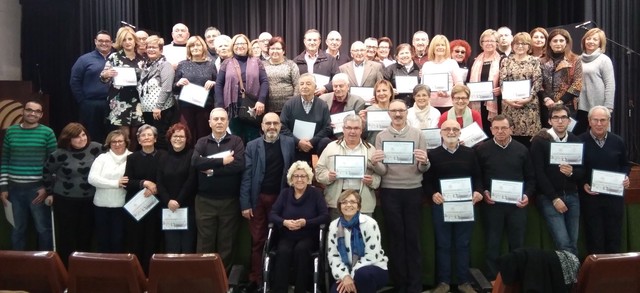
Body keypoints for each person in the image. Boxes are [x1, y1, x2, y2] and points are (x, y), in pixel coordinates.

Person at [374, 99, 430, 293]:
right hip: (390, 192)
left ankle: (415, 287)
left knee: (413, 239)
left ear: (407, 112)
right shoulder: (381, 136)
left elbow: (423, 168)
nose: (397, 114)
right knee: (395, 239)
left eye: (401, 110)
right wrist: (375, 163)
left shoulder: (418, 134)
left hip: (413, 190)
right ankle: (400, 285)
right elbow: (381, 171)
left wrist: (424, 162)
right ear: (388, 113)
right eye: (394, 111)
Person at [425, 119, 483, 293]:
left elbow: (478, 177)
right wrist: (432, 193)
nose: (451, 132)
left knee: (463, 244)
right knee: (443, 244)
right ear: (440, 133)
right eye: (447, 129)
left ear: (460, 132)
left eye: (455, 129)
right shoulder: (433, 154)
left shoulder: (470, 153)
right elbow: (427, 181)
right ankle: (443, 282)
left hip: (465, 205)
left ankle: (464, 282)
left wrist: (478, 191)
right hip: (441, 206)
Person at [240, 112, 296, 292]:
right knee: (258, 241)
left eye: (275, 123)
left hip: (280, 200)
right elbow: (246, 175)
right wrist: (245, 203)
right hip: (257, 199)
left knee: (280, 241)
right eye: (268, 123)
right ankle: (256, 278)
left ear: (280, 125)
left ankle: (276, 279)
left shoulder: (289, 143)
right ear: (262, 126)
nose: (272, 127)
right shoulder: (252, 146)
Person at [475, 115, 536, 281]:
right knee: (492, 244)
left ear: (511, 129)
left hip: (517, 205)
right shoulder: (482, 150)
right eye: (496, 128)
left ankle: (517, 278)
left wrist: (527, 195)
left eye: (504, 128)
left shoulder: (522, 150)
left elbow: (531, 178)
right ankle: (493, 279)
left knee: (517, 244)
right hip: (492, 204)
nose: (500, 131)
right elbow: (477, 177)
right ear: (491, 129)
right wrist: (484, 191)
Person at [192, 108, 245, 271]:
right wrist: (222, 161)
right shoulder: (202, 142)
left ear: (227, 122)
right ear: (210, 123)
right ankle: (203, 280)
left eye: (223, 119)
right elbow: (195, 162)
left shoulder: (236, 141)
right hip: (204, 202)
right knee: (204, 242)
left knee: (226, 243)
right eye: (216, 119)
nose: (219, 122)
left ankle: (223, 281)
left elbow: (238, 165)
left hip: (229, 201)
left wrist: (212, 169)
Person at [43, 123, 102, 266]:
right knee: (67, 235)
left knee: (86, 234)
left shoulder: (97, 148)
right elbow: (47, 172)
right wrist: (49, 192)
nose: (82, 139)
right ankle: (66, 267)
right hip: (65, 200)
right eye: (76, 137)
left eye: (83, 135)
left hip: (89, 199)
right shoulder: (59, 154)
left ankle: (83, 266)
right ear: (68, 139)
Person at [0, 100, 57, 251]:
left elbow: (54, 165)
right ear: (23, 111)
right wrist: (3, 187)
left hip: (38, 190)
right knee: (17, 229)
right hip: (14, 190)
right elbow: (4, 160)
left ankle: (45, 266)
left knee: (43, 229)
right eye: (29, 110)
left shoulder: (47, 133)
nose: (32, 113)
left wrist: (47, 188)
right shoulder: (11, 131)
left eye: (37, 111)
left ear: (41, 115)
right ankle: (18, 267)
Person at [530, 105, 585, 255]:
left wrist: (572, 172)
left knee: (573, 242)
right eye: (556, 118)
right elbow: (538, 173)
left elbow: (582, 172)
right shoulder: (539, 141)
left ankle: (574, 276)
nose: (560, 121)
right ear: (549, 121)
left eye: (563, 118)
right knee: (563, 243)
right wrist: (554, 198)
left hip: (573, 196)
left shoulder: (575, 140)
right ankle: (567, 278)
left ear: (569, 121)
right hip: (550, 198)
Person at [268, 161, 329, 293]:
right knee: (283, 251)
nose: (300, 179)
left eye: (303, 176)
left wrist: (305, 222)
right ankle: (280, 290)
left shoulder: (316, 194)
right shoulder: (285, 194)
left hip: (308, 235)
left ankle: (301, 289)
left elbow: (325, 216)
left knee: (301, 250)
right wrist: (284, 222)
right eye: (296, 176)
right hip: (287, 235)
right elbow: (272, 214)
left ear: (308, 178)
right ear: (291, 178)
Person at [579, 106, 630, 254]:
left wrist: (625, 177)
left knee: (614, 239)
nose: (599, 124)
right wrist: (583, 184)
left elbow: (625, 165)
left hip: (614, 199)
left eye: (603, 120)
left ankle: (612, 274)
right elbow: (576, 169)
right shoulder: (580, 141)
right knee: (595, 240)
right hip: (591, 200)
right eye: (595, 120)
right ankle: (597, 275)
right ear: (589, 121)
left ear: (609, 121)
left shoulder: (618, 141)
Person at [315, 114, 383, 220]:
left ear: (361, 130)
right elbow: (319, 171)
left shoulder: (371, 149)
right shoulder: (331, 147)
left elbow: (379, 175)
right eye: (349, 128)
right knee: (338, 235)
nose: (352, 131)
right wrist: (328, 176)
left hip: (363, 202)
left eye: (356, 128)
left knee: (363, 235)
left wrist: (372, 181)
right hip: (337, 201)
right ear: (343, 129)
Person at [327, 190, 389, 293]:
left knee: (362, 275)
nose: (348, 205)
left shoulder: (369, 223)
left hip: (373, 269)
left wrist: (351, 277)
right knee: (335, 291)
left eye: (352, 202)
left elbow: (372, 255)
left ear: (359, 206)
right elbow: (333, 256)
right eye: (344, 202)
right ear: (339, 206)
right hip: (346, 272)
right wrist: (345, 276)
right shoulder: (334, 225)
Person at [123, 124, 166, 273]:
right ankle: (136, 275)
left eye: (149, 135)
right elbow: (127, 182)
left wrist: (156, 188)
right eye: (143, 135)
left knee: (153, 241)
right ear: (139, 140)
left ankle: (151, 276)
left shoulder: (164, 156)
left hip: (156, 205)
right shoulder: (132, 158)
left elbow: (169, 179)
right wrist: (144, 183)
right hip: (137, 207)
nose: (146, 138)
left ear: (155, 139)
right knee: (135, 241)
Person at [215, 33, 269, 144]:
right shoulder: (226, 63)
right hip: (232, 108)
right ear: (233, 46)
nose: (240, 46)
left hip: (253, 106)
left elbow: (264, 81)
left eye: (243, 43)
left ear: (247, 45)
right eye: (237, 43)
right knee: (235, 140)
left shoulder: (257, 61)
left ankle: (252, 161)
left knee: (253, 139)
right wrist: (220, 106)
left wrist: (261, 100)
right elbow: (219, 84)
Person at [101, 26, 144, 151]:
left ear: (134, 40)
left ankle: (132, 160)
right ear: (120, 42)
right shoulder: (114, 57)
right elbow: (103, 77)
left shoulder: (142, 59)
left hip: (137, 101)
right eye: (124, 40)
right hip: (119, 101)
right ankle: (122, 161)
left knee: (136, 135)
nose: (127, 42)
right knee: (123, 135)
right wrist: (106, 75)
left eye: (130, 39)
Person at [88, 129, 131, 253]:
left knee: (119, 240)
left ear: (126, 142)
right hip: (101, 206)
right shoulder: (102, 158)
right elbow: (92, 179)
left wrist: (104, 181)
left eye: (120, 141)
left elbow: (130, 181)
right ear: (109, 144)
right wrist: (116, 183)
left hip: (122, 206)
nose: (117, 144)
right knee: (103, 240)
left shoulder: (132, 157)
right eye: (114, 142)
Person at [156, 123, 197, 253]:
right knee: (171, 246)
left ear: (187, 139)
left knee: (187, 246)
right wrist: (168, 201)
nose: (178, 139)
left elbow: (191, 181)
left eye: (181, 136)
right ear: (170, 138)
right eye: (175, 136)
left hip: (187, 207)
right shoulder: (162, 157)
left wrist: (178, 201)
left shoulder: (192, 155)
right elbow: (159, 182)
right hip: (168, 208)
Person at [499, 32, 543, 148]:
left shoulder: (535, 61)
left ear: (529, 46)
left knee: (530, 141)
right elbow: (502, 81)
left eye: (523, 43)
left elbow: (538, 81)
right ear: (512, 45)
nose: (520, 46)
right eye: (517, 43)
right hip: (509, 105)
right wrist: (508, 100)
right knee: (510, 138)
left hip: (529, 105)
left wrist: (528, 98)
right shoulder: (506, 61)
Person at [70, 30, 113, 143]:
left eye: (107, 41)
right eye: (101, 41)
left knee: (112, 135)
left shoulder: (118, 59)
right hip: (91, 105)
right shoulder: (84, 59)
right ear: (95, 41)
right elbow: (75, 81)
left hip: (114, 105)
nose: (104, 43)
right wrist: (82, 101)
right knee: (91, 136)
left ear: (112, 43)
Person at [279, 73, 332, 164]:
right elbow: (282, 126)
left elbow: (327, 127)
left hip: (314, 143)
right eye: (301, 84)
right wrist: (298, 142)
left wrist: (311, 142)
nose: (304, 86)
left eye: (308, 84)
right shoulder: (289, 104)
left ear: (315, 87)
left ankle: (322, 171)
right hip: (294, 143)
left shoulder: (322, 105)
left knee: (326, 142)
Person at [174, 36, 217, 146]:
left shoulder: (211, 65)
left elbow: (218, 84)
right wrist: (178, 83)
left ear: (203, 47)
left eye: (198, 45)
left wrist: (214, 83)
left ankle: (202, 159)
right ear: (188, 48)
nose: (195, 48)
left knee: (203, 135)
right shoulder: (182, 64)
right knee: (186, 134)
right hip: (186, 107)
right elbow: (174, 87)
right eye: (192, 46)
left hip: (205, 107)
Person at [138, 35, 177, 150]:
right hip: (147, 110)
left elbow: (167, 88)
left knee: (160, 139)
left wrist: (158, 107)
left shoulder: (166, 65)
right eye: (149, 47)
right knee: (149, 139)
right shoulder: (145, 66)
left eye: (154, 47)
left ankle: (162, 164)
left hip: (161, 110)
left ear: (161, 50)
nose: (151, 49)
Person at [575, 28, 615, 135]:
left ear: (600, 43)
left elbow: (610, 84)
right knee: (579, 136)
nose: (591, 41)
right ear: (584, 41)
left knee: (599, 135)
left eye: (595, 39)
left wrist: (608, 107)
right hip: (581, 106)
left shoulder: (604, 60)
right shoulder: (578, 59)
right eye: (588, 38)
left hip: (599, 106)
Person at [540, 29, 583, 127]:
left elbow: (577, 83)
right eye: (555, 41)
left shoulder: (575, 60)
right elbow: (538, 83)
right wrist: (546, 99)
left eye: (561, 40)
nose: (558, 43)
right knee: (548, 137)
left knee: (566, 137)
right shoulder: (541, 61)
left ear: (567, 43)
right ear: (549, 43)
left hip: (568, 106)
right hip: (546, 106)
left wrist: (561, 101)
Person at [469, 29, 502, 135]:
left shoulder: (503, 60)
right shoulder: (474, 61)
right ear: (481, 44)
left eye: (492, 41)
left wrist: (502, 89)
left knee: (493, 128)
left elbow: (508, 80)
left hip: (496, 101)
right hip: (476, 101)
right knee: (479, 128)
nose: (488, 43)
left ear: (497, 43)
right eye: (485, 41)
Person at [421, 35, 462, 113]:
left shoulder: (452, 63)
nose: (440, 47)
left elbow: (459, 85)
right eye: (437, 45)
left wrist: (448, 93)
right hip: (430, 106)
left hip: (448, 105)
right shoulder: (426, 65)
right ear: (433, 48)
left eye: (443, 45)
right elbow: (422, 87)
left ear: (446, 48)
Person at [292, 29, 340, 95]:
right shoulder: (296, 61)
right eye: (309, 40)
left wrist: (325, 88)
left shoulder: (330, 60)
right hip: (303, 98)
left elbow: (337, 78)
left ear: (319, 42)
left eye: (315, 40)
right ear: (304, 41)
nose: (312, 42)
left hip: (324, 98)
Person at [263, 36, 300, 113]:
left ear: (283, 51)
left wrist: (294, 105)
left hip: (288, 109)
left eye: (278, 49)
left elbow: (297, 86)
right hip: (267, 109)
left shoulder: (291, 65)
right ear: (268, 50)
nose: (275, 51)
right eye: (272, 48)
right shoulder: (262, 65)